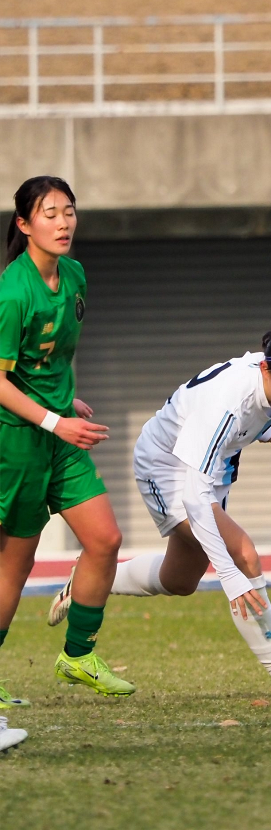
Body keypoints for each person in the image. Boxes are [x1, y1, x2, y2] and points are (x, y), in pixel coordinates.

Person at [49, 329, 271, 699]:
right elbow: (194, 496)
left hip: (208, 469)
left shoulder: (266, 373)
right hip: (168, 469)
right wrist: (229, 575)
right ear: (266, 369)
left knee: (180, 580)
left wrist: (265, 427)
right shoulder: (229, 404)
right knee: (243, 555)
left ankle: (90, 579)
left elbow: (243, 395)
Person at [0, 176, 135, 726]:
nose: (63, 222)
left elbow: (44, 362)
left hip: (59, 433)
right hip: (17, 443)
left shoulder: (74, 274)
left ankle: (77, 656)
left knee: (105, 540)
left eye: (69, 211)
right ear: (24, 224)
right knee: (14, 566)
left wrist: (64, 401)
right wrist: (54, 419)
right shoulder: (13, 293)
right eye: (49, 213)